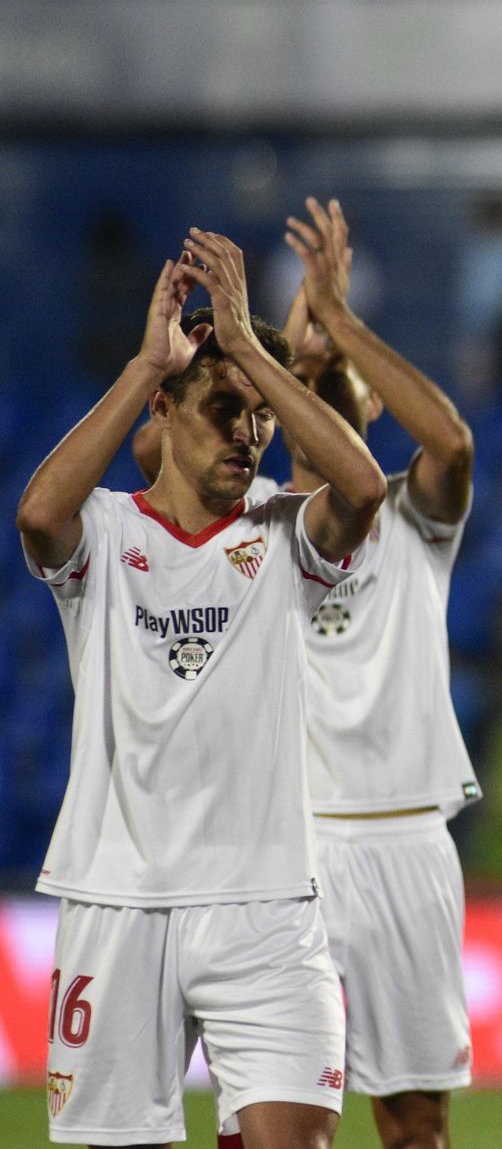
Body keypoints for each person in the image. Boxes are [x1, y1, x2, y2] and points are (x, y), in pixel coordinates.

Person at [16, 230, 387, 1147]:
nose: (250, 431)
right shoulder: (103, 534)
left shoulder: (286, 534)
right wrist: (149, 358)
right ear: (165, 409)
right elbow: (35, 514)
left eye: (261, 413)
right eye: (224, 406)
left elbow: (366, 486)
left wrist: (254, 354)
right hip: (119, 898)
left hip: (267, 906)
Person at [133, 199, 479, 1149]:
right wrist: (270, 346)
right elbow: (150, 447)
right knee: (265, 1115)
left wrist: (339, 320)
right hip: (284, 855)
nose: (322, 392)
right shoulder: (246, 522)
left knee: (415, 1124)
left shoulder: (413, 517)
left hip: (404, 838)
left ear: (368, 406)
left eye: (340, 386)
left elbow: (450, 444)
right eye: (303, 387)